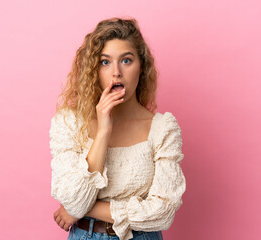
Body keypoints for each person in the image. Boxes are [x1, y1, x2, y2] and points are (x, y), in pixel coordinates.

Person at [49, 17, 186, 240]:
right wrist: (103, 132)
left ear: (141, 67)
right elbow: (73, 200)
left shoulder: (162, 129)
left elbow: (163, 212)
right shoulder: (69, 123)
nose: (116, 73)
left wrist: (85, 208)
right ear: (94, 69)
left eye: (126, 60)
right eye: (105, 62)